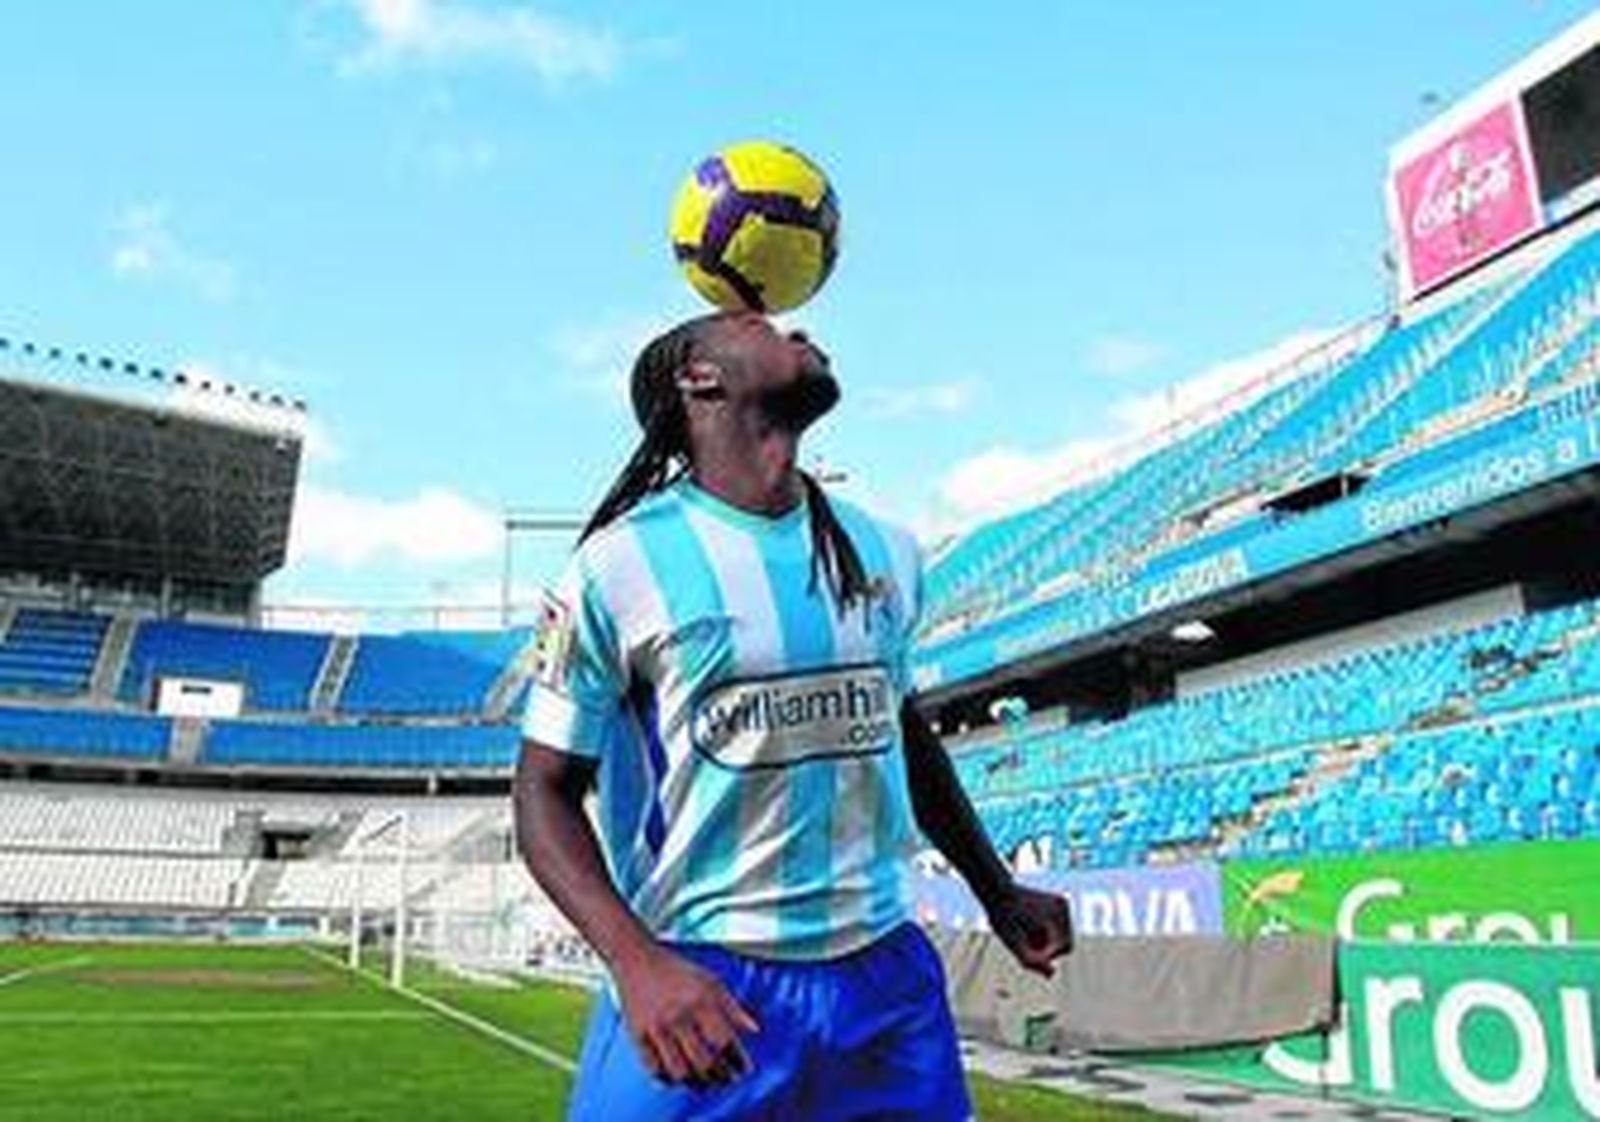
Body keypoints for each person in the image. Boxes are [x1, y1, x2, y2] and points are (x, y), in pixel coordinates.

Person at [514, 310, 1072, 1121]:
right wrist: (635, 963)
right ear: (700, 379)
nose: (799, 326)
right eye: (759, 324)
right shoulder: (615, 567)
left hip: (884, 979)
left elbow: (901, 732)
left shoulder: (887, 551)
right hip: (702, 985)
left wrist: (996, 886)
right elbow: (542, 793)